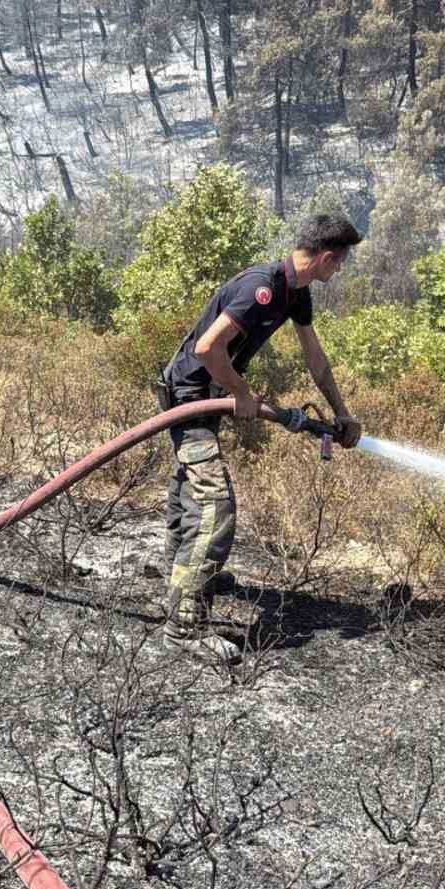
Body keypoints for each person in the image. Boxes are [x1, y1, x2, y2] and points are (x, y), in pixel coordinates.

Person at [159, 213, 363, 662]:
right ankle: (183, 628)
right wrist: (241, 392)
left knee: (190, 488)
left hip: (205, 393)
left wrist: (341, 411)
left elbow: (316, 358)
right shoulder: (263, 288)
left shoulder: (296, 292)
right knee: (214, 504)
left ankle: (181, 579)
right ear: (327, 256)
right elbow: (207, 348)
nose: (340, 270)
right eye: (341, 263)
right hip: (191, 397)